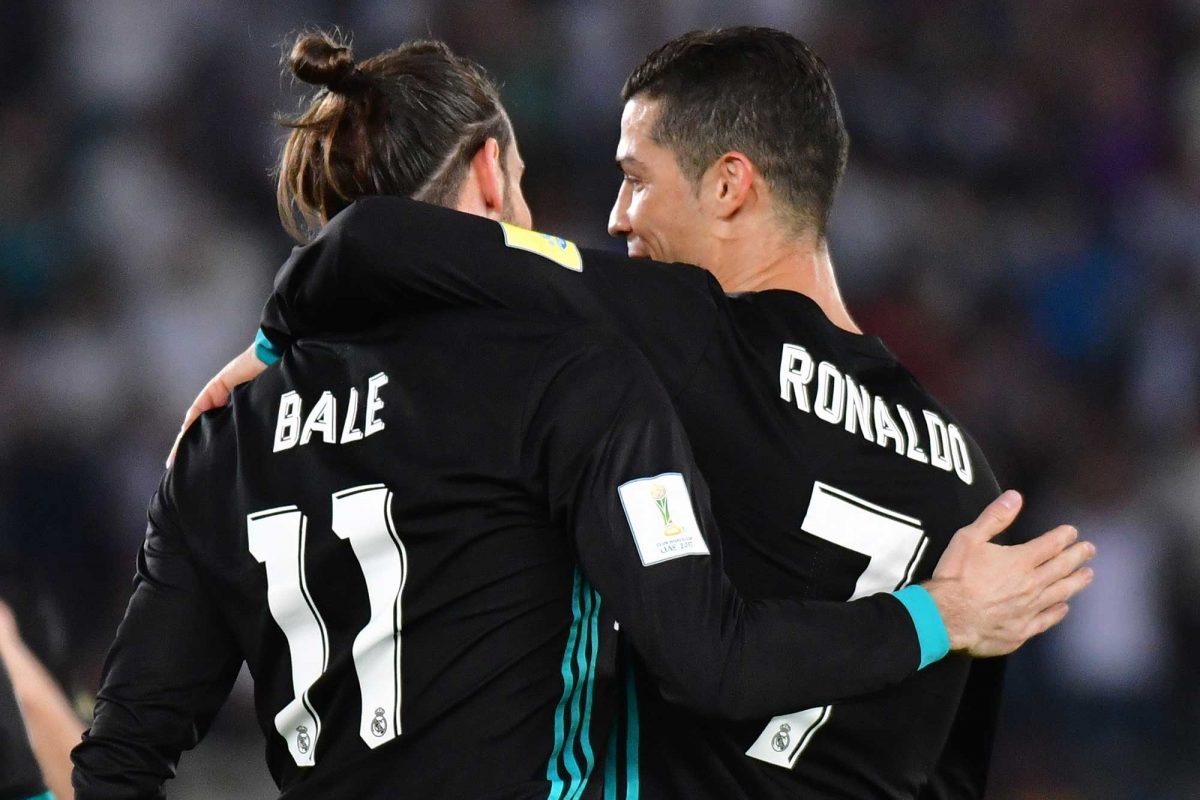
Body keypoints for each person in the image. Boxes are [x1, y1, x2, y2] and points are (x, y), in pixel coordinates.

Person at [166, 29, 1093, 799]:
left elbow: (387, 238)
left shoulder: (682, 333)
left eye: (635, 179)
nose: (614, 218)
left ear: (730, 186)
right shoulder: (973, 482)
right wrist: (941, 611)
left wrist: (270, 347)